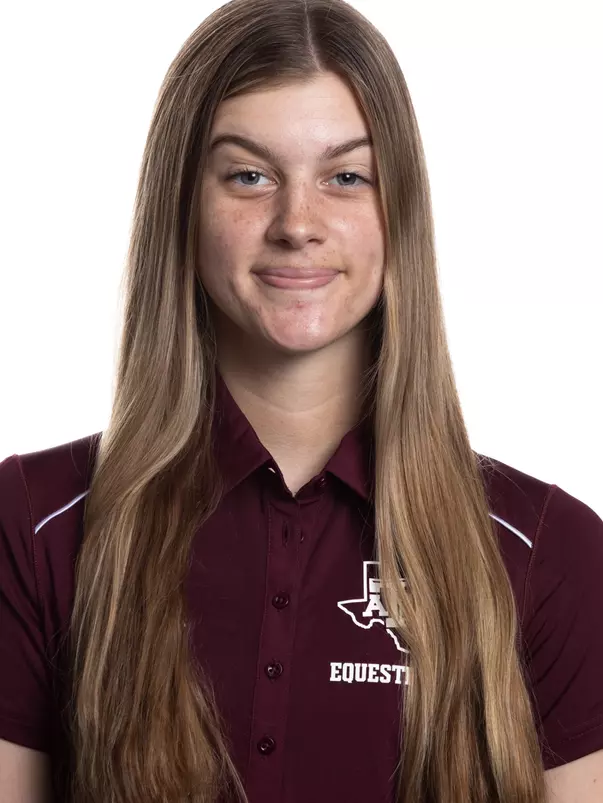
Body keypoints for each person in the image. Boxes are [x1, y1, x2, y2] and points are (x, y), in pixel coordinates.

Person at [1, 0, 602, 801]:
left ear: (399, 209)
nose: (296, 223)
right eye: (248, 175)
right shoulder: (33, 525)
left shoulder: (550, 553)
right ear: (183, 204)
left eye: (345, 176)